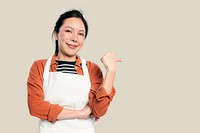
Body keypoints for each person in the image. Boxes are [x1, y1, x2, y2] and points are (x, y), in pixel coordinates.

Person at [27, 9, 122, 133]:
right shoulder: (39, 66)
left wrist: (111, 71)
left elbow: (99, 110)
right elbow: (35, 107)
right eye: (68, 31)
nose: (74, 38)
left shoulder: (91, 69)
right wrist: (80, 113)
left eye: (81, 34)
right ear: (56, 34)